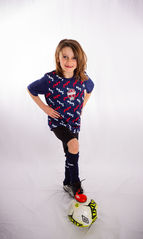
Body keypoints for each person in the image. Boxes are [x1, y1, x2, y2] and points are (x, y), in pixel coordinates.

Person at [27, 39, 94, 199]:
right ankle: (75, 184)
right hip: (58, 122)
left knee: (70, 150)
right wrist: (45, 108)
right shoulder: (50, 80)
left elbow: (90, 90)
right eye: (65, 56)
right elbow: (31, 89)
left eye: (73, 58)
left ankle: (67, 182)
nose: (69, 61)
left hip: (74, 122)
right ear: (58, 57)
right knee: (74, 144)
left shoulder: (82, 78)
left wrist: (80, 107)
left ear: (79, 59)